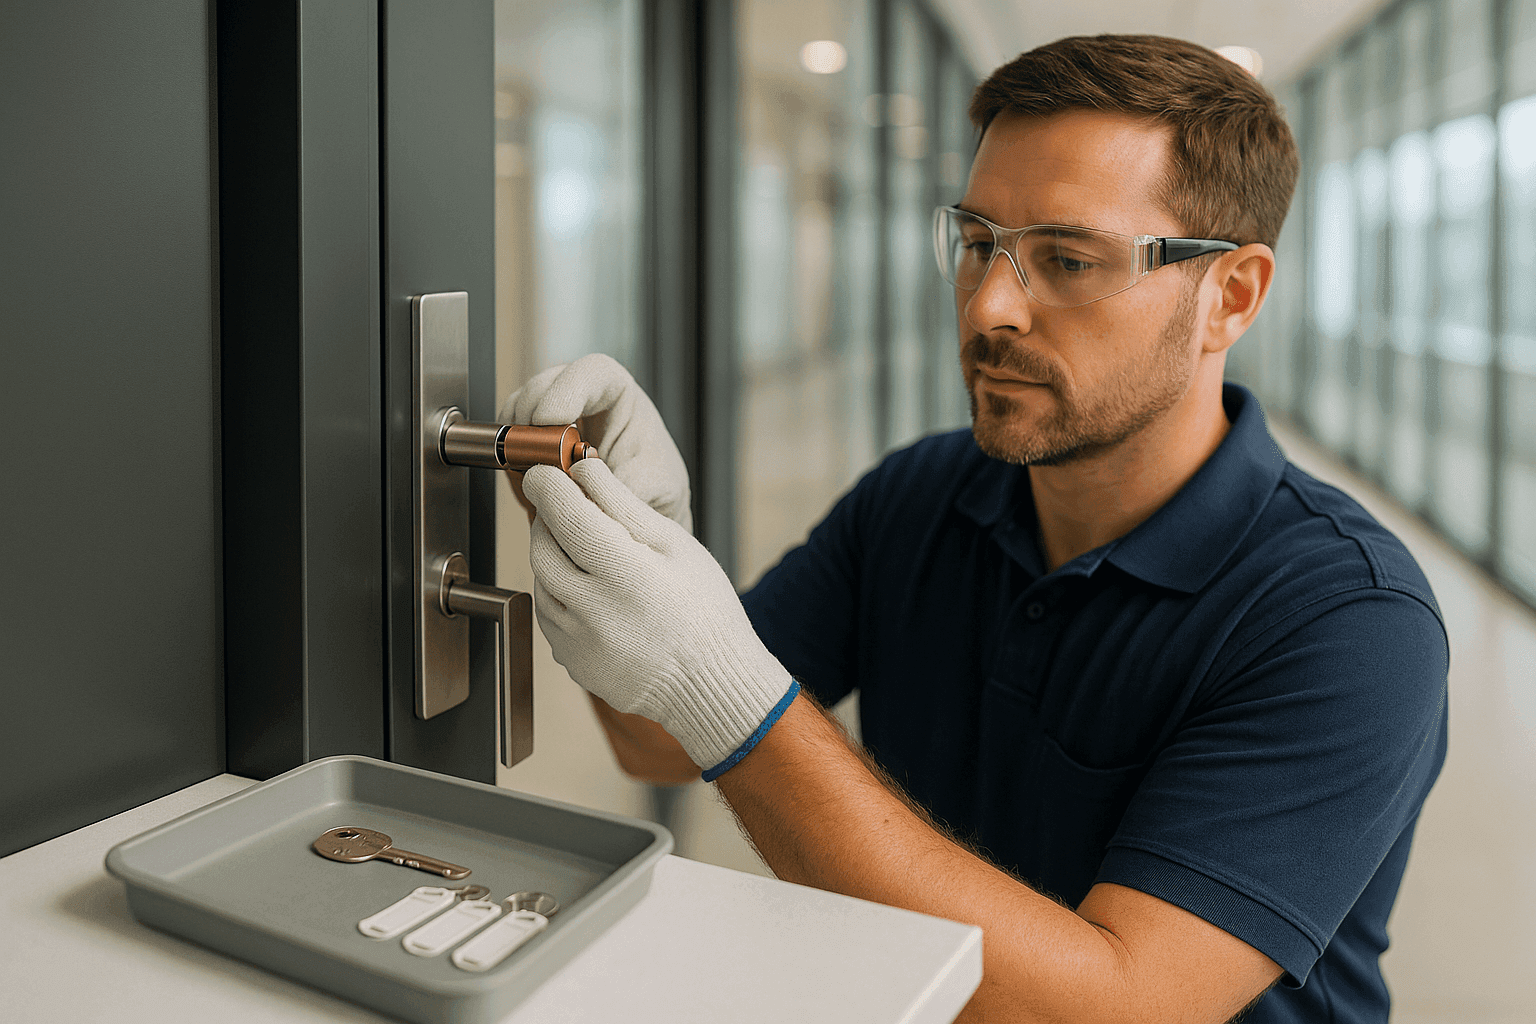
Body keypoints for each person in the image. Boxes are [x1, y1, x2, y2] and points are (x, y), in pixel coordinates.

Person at [503, 34, 1448, 1024]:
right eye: (981, 241)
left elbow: (1114, 1008)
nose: (990, 304)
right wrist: (646, 538)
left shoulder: (1348, 620)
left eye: (1069, 259)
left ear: (1231, 296)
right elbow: (659, 736)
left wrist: (727, 688)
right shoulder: (924, 495)